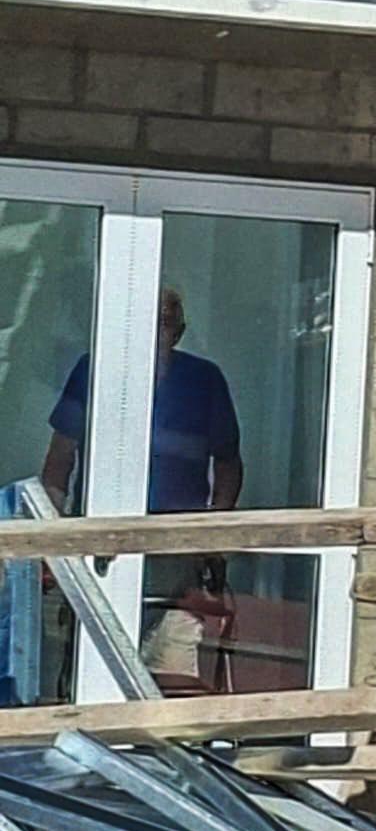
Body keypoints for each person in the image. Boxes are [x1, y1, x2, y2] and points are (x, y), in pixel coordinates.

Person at [41, 286, 243, 680]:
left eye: (164, 323)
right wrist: (54, 539)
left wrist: (212, 539)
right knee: (87, 671)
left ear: (179, 331)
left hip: (175, 556)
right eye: (146, 322)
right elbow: (58, 462)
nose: (154, 333)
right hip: (96, 549)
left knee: (170, 675)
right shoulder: (93, 371)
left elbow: (229, 465)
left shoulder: (203, 380)